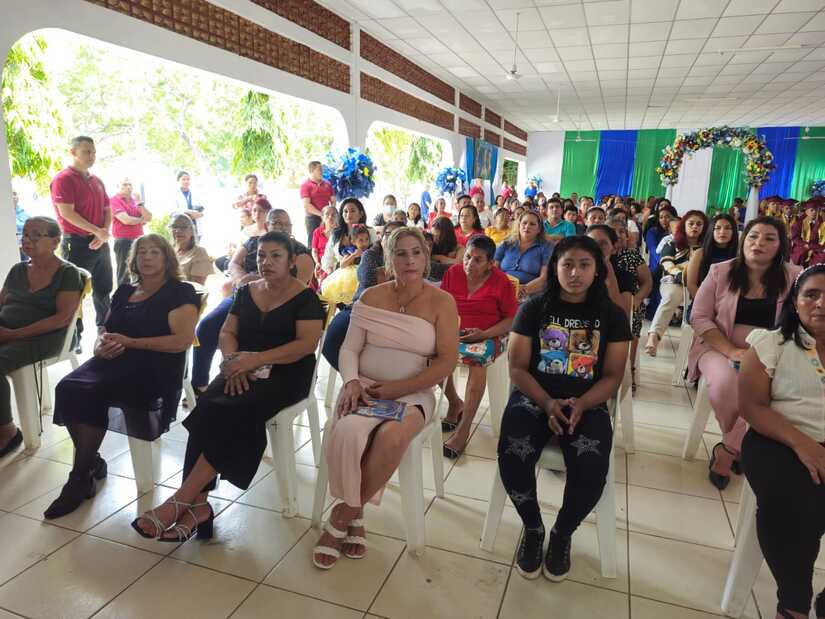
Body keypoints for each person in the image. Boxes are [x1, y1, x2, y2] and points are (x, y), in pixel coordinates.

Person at [132, 231, 324, 541]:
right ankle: (199, 506)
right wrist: (235, 361)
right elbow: (227, 332)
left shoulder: (306, 298)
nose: (267, 262)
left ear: (291, 262)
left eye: (276, 256)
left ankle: (183, 501)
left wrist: (255, 359)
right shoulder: (247, 291)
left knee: (239, 409)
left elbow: (304, 346)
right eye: (261, 256)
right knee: (208, 405)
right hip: (241, 366)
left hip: (286, 373)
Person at [312, 227, 459, 569]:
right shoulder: (372, 297)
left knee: (392, 436)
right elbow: (350, 348)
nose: (409, 260)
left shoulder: (442, 302)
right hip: (364, 385)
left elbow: (447, 361)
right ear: (390, 260)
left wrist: (397, 389)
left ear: (426, 258)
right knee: (349, 432)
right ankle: (357, 513)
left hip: (415, 393)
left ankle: (342, 515)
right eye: (401, 253)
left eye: (416, 253)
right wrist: (350, 382)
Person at [498, 235, 631, 581]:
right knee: (512, 453)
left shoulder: (612, 316)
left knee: (590, 467)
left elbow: (614, 375)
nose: (575, 273)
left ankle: (561, 533)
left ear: (598, 270)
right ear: (554, 267)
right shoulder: (534, 308)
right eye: (567, 264)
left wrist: (584, 403)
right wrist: (546, 401)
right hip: (534, 395)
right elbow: (517, 368)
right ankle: (533, 528)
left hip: (587, 403)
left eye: (584, 265)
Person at [45, 234, 199, 518]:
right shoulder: (125, 291)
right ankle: (90, 461)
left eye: (155, 252)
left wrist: (131, 343)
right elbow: (105, 330)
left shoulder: (181, 292)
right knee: (68, 387)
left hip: (156, 367)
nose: (147, 257)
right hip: (113, 360)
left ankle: (79, 479)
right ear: (133, 260)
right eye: (142, 253)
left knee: (93, 391)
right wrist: (98, 346)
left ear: (167, 258)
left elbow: (181, 341)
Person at [738, 264, 825, 619]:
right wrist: (803, 444)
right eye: (812, 294)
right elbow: (751, 407)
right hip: (777, 439)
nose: (821, 304)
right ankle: (794, 603)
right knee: (795, 503)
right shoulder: (770, 343)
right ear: (795, 301)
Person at [687, 217, 800, 490]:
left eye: (769, 238)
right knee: (727, 384)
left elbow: (800, 322)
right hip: (718, 345)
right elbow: (699, 318)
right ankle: (739, 446)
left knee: (782, 392)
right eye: (753, 236)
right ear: (743, 240)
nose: (759, 243)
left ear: (780, 245)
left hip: (771, 353)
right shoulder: (720, 272)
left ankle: (727, 449)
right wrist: (732, 351)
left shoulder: (794, 277)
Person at [191, 209, 313, 394]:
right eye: (275, 223)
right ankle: (199, 385)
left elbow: (298, 291)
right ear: (266, 225)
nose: (279, 227)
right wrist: (242, 280)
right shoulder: (253, 242)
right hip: (243, 295)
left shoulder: (300, 253)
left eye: (284, 224)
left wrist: (261, 284)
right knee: (207, 327)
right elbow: (232, 263)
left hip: (276, 304)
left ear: (291, 228)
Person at [0, 217, 84, 457]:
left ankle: (7, 431)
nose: (27, 240)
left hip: (50, 335)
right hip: (10, 331)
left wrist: (14, 335)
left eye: (36, 235)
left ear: (55, 241)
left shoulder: (67, 273)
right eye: (25, 234)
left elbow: (62, 319)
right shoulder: (18, 270)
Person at [440, 235, 518, 458]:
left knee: (477, 361)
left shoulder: (501, 281)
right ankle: (455, 403)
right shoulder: (453, 273)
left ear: (490, 263)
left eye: (477, 260)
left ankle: (463, 429)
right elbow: (442, 306)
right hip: (455, 332)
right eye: (467, 257)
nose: (469, 264)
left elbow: (510, 320)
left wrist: (483, 334)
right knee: (429, 355)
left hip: (491, 335)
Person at [321, 221, 405, 371]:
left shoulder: (409, 259)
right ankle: (355, 378)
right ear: (381, 238)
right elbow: (368, 282)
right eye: (388, 234)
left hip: (393, 314)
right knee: (331, 341)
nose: (393, 238)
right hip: (359, 308)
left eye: (399, 235)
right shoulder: (370, 255)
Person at [50, 136, 112, 328]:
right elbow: (66, 213)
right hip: (76, 242)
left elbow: (107, 210)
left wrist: (103, 233)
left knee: (104, 288)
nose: (91, 156)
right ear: (73, 153)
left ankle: (105, 327)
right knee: (73, 292)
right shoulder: (63, 179)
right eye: (86, 152)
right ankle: (73, 335)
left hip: (100, 242)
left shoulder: (97, 181)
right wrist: (97, 231)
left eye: (93, 152)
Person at [645, 210, 707, 356]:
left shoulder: (706, 248)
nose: (695, 227)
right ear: (684, 225)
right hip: (673, 281)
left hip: (698, 287)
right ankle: (654, 336)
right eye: (691, 223)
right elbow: (666, 263)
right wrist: (678, 274)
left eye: (699, 224)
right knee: (672, 295)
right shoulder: (672, 242)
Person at [608, 217, 653, 393]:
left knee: (632, 322)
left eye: (622, 232)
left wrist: (638, 299)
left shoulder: (632, 256)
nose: (618, 235)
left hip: (631, 301)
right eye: (613, 231)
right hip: (607, 301)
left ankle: (629, 369)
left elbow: (647, 282)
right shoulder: (601, 253)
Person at [494, 210, 553, 299]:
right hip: (502, 289)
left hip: (531, 293)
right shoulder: (506, 243)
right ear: (519, 226)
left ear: (539, 229)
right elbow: (493, 269)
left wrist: (523, 289)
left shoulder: (546, 247)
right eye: (524, 223)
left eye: (532, 224)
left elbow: (544, 278)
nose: (527, 226)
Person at [686, 213, 739, 301]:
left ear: (733, 231)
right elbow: (691, 285)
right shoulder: (700, 253)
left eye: (727, 228)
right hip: (702, 302)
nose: (722, 232)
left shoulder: (738, 255)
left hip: (728, 303)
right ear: (711, 231)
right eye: (718, 228)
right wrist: (705, 304)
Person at [586, 224, 635, 318]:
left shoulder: (624, 277)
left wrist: (608, 270)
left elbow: (623, 316)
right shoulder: (576, 274)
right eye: (591, 243)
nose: (596, 248)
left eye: (603, 244)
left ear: (614, 248)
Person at [111, 177, 153, 285]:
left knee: (140, 269)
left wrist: (139, 203)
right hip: (123, 241)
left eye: (130, 185)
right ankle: (122, 299)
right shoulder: (114, 200)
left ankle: (139, 296)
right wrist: (141, 220)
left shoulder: (135, 202)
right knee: (124, 272)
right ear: (118, 187)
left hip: (139, 240)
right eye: (125, 184)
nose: (128, 187)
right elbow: (126, 220)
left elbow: (149, 217)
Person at [322, 198, 375, 275]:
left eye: (353, 211)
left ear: (361, 214)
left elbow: (376, 252)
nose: (349, 214)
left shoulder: (370, 231)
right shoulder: (336, 234)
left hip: (365, 273)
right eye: (345, 211)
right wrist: (330, 273)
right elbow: (328, 258)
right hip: (340, 275)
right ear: (341, 214)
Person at [168, 213, 212, 285]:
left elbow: (197, 287)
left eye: (183, 227)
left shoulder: (199, 252)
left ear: (192, 231)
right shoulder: (168, 252)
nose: (178, 230)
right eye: (174, 227)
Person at [301, 160, 336, 247]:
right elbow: (307, 205)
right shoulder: (305, 185)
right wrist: (322, 215)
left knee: (329, 240)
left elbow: (333, 200)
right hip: (313, 218)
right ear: (311, 171)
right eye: (319, 169)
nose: (322, 171)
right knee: (313, 243)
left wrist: (330, 215)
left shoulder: (327, 184)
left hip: (327, 217)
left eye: (322, 169)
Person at [312, 205, 338, 286]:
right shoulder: (317, 232)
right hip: (322, 265)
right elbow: (314, 250)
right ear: (322, 217)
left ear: (338, 217)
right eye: (327, 214)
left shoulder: (340, 232)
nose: (330, 217)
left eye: (333, 215)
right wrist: (317, 262)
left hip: (336, 264)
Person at [174, 171, 204, 241]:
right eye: (183, 179)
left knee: (196, 250)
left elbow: (203, 208)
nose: (186, 181)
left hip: (195, 228)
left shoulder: (196, 193)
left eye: (188, 179)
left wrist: (199, 214)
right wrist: (190, 213)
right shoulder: (174, 194)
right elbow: (173, 211)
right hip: (181, 228)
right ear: (178, 181)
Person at [13, 190, 29, 259]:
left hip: (23, 246)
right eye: (11, 194)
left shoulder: (22, 212)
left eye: (15, 194)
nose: (14, 197)